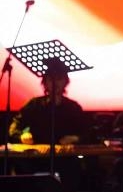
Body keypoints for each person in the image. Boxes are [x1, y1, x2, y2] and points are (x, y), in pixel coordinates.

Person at [9, 58, 87, 192]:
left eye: (59, 79)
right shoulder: (34, 105)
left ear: (65, 82)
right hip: (36, 158)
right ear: (45, 82)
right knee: (21, 169)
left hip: (64, 159)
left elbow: (88, 132)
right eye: (50, 79)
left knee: (75, 170)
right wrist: (22, 135)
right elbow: (14, 127)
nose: (55, 83)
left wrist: (76, 138)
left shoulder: (73, 107)